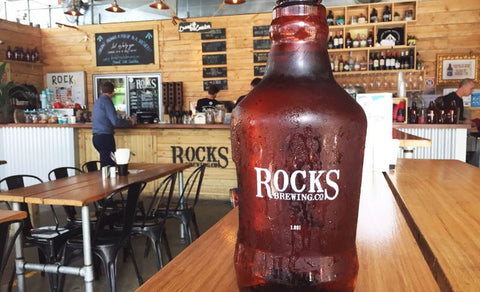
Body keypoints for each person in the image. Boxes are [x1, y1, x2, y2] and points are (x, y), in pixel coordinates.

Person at [92, 81, 136, 167]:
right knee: (109, 166)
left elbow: (105, 116)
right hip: (105, 137)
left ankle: (103, 179)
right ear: (113, 92)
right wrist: (130, 122)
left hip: (96, 137)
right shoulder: (107, 102)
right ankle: (106, 181)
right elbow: (115, 122)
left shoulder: (98, 101)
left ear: (101, 91)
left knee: (105, 165)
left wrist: (119, 114)